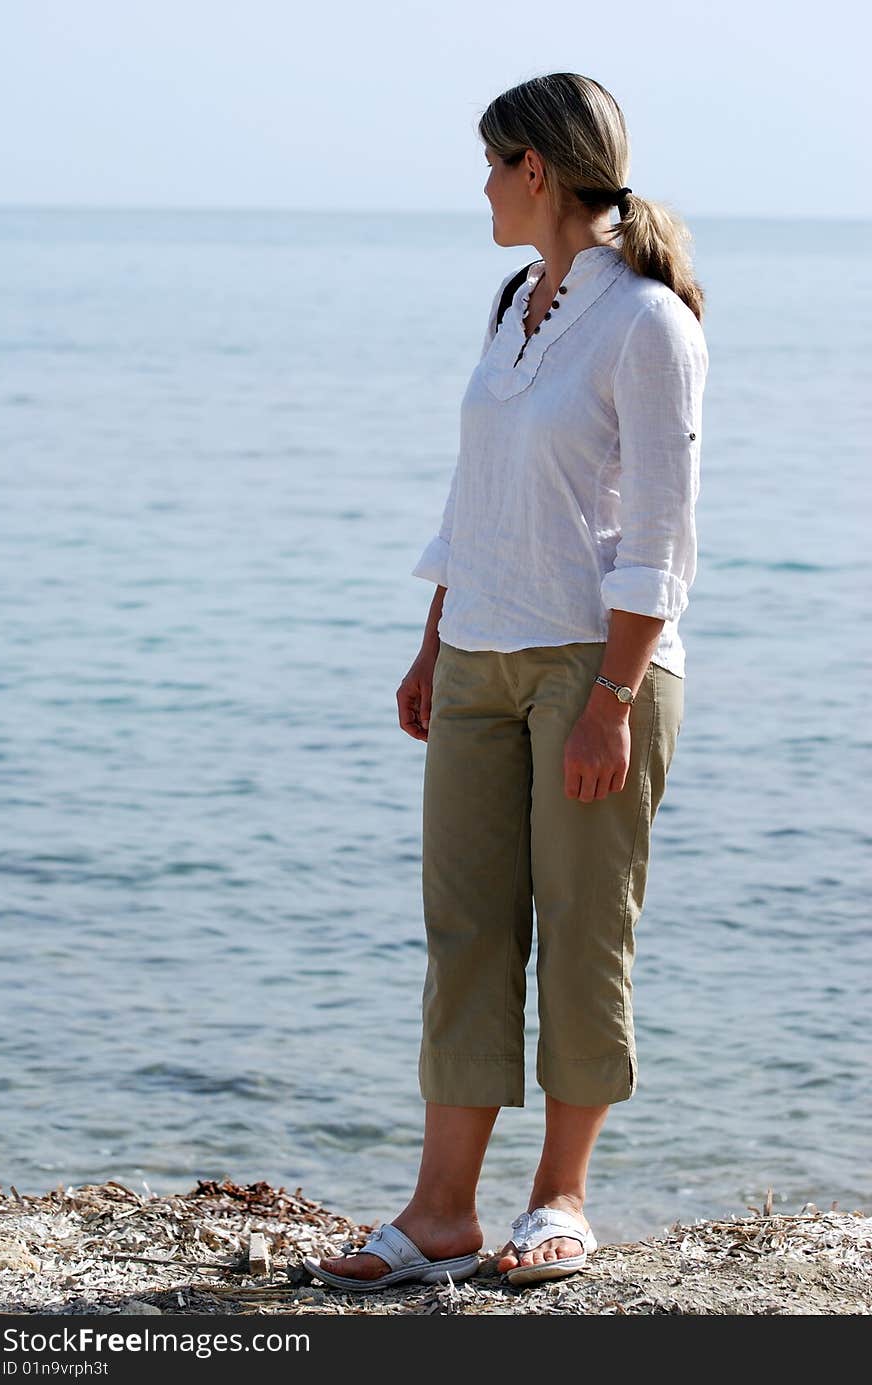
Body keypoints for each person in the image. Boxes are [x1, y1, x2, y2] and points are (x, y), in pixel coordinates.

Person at [304, 71, 709, 1292]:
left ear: (537, 168)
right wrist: (435, 639)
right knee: (467, 932)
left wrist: (612, 700)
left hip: (596, 665)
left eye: (492, 164)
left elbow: (661, 536)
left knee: (584, 931)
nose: (481, 187)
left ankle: (560, 1198)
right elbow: (477, 491)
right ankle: (439, 1214)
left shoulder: (648, 323)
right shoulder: (512, 301)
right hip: (479, 651)